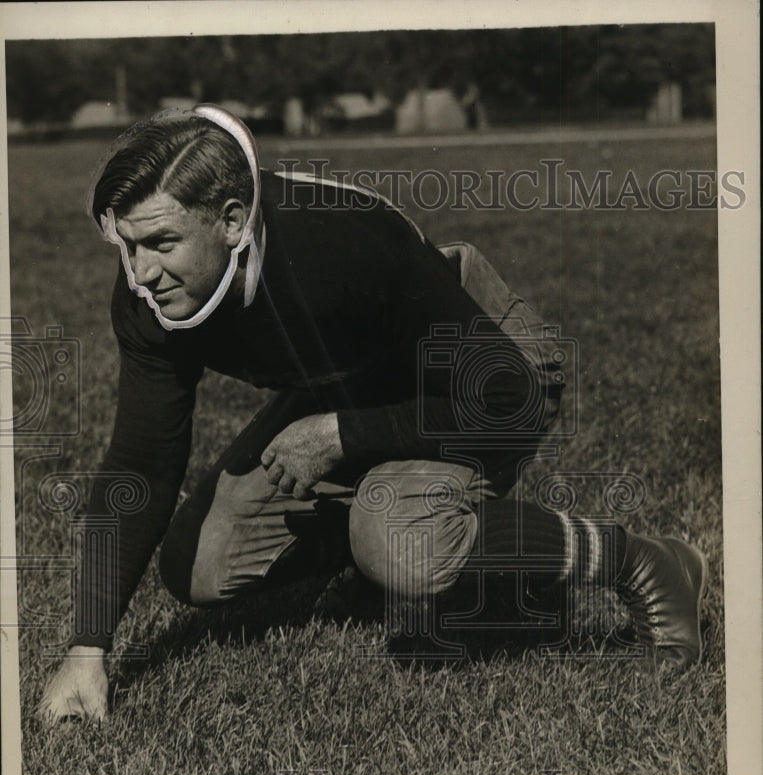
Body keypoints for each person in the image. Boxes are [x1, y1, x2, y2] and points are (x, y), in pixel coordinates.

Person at [40, 105, 708, 722]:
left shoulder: (336, 253)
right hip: (353, 376)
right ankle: (395, 561)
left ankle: (641, 562)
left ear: (234, 220)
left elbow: (509, 402)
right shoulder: (147, 293)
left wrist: (341, 434)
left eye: (159, 243)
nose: (139, 274)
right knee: (200, 566)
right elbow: (142, 463)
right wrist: (87, 648)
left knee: (404, 541)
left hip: (481, 370)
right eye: (124, 247)